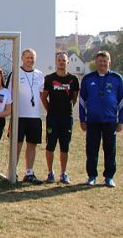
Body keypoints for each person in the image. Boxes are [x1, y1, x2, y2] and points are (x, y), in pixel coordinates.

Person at [79, 51, 123, 187]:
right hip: (92, 121)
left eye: (105, 61)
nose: (102, 63)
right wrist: (82, 119)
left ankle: (109, 177)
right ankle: (92, 176)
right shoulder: (88, 79)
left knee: (110, 149)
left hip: (110, 121)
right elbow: (82, 101)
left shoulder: (117, 78)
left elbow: (122, 101)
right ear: (96, 62)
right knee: (92, 149)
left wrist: (121, 120)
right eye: (100, 61)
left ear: (109, 62)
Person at [7, 49, 44, 184]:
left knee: (32, 145)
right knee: (16, 145)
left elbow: (41, 94)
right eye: (27, 57)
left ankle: (29, 172)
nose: (30, 60)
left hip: (34, 117)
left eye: (32, 58)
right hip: (18, 116)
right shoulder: (15, 73)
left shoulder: (39, 74)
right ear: (22, 58)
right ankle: (12, 172)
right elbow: (9, 94)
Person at [40, 53, 79, 184]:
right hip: (53, 119)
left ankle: (63, 173)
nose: (62, 62)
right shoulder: (50, 79)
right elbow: (43, 96)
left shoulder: (73, 79)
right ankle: (50, 173)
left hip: (67, 119)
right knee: (50, 146)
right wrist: (49, 110)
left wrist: (68, 107)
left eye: (64, 60)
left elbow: (75, 97)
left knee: (64, 147)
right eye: (59, 60)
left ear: (68, 63)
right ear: (56, 62)